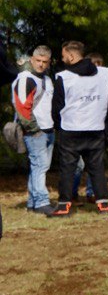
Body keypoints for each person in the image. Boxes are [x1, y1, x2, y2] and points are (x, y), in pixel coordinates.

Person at [49, 40, 108, 216]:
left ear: (71, 55)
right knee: (97, 167)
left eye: (63, 56)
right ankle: (103, 204)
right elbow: (107, 101)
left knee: (68, 168)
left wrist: (58, 125)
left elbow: (57, 106)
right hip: (96, 127)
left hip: (71, 129)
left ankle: (64, 205)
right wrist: (105, 123)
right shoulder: (104, 73)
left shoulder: (64, 77)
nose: (62, 59)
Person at [11, 45, 56, 214]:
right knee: (40, 166)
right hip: (35, 131)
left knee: (37, 167)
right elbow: (23, 108)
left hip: (48, 129)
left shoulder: (46, 79)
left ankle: (33, 202)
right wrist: (34, 129)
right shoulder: (25, 78)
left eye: (45, 61)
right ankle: (41, 203)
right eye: (38, 61)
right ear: (32, 59)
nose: (41, 64)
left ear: (49, 62)